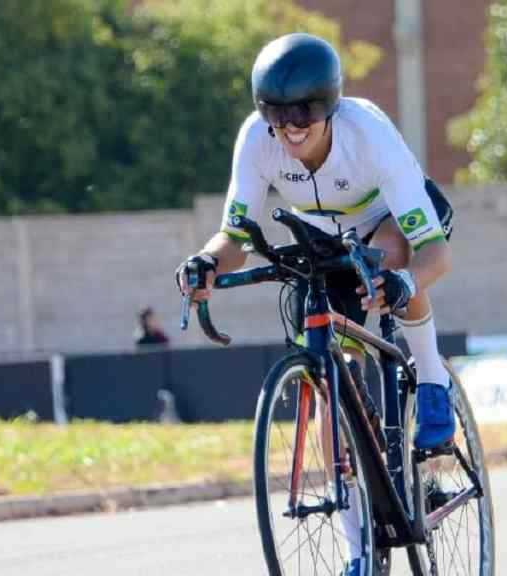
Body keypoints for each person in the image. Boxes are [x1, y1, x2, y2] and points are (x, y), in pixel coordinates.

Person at [176, 33, 456, 574]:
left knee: (395, 263)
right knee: (332, 384)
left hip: (389, 222)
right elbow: (232, 237)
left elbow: (435, 252)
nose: (292, 126)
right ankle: (360, 548)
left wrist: (401, 283)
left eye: (305, 110)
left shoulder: (367, 135)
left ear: (330, 105)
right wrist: (206, 262)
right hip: (319, 237)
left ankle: (430, 378)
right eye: (278, 114)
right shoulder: (257, 142)